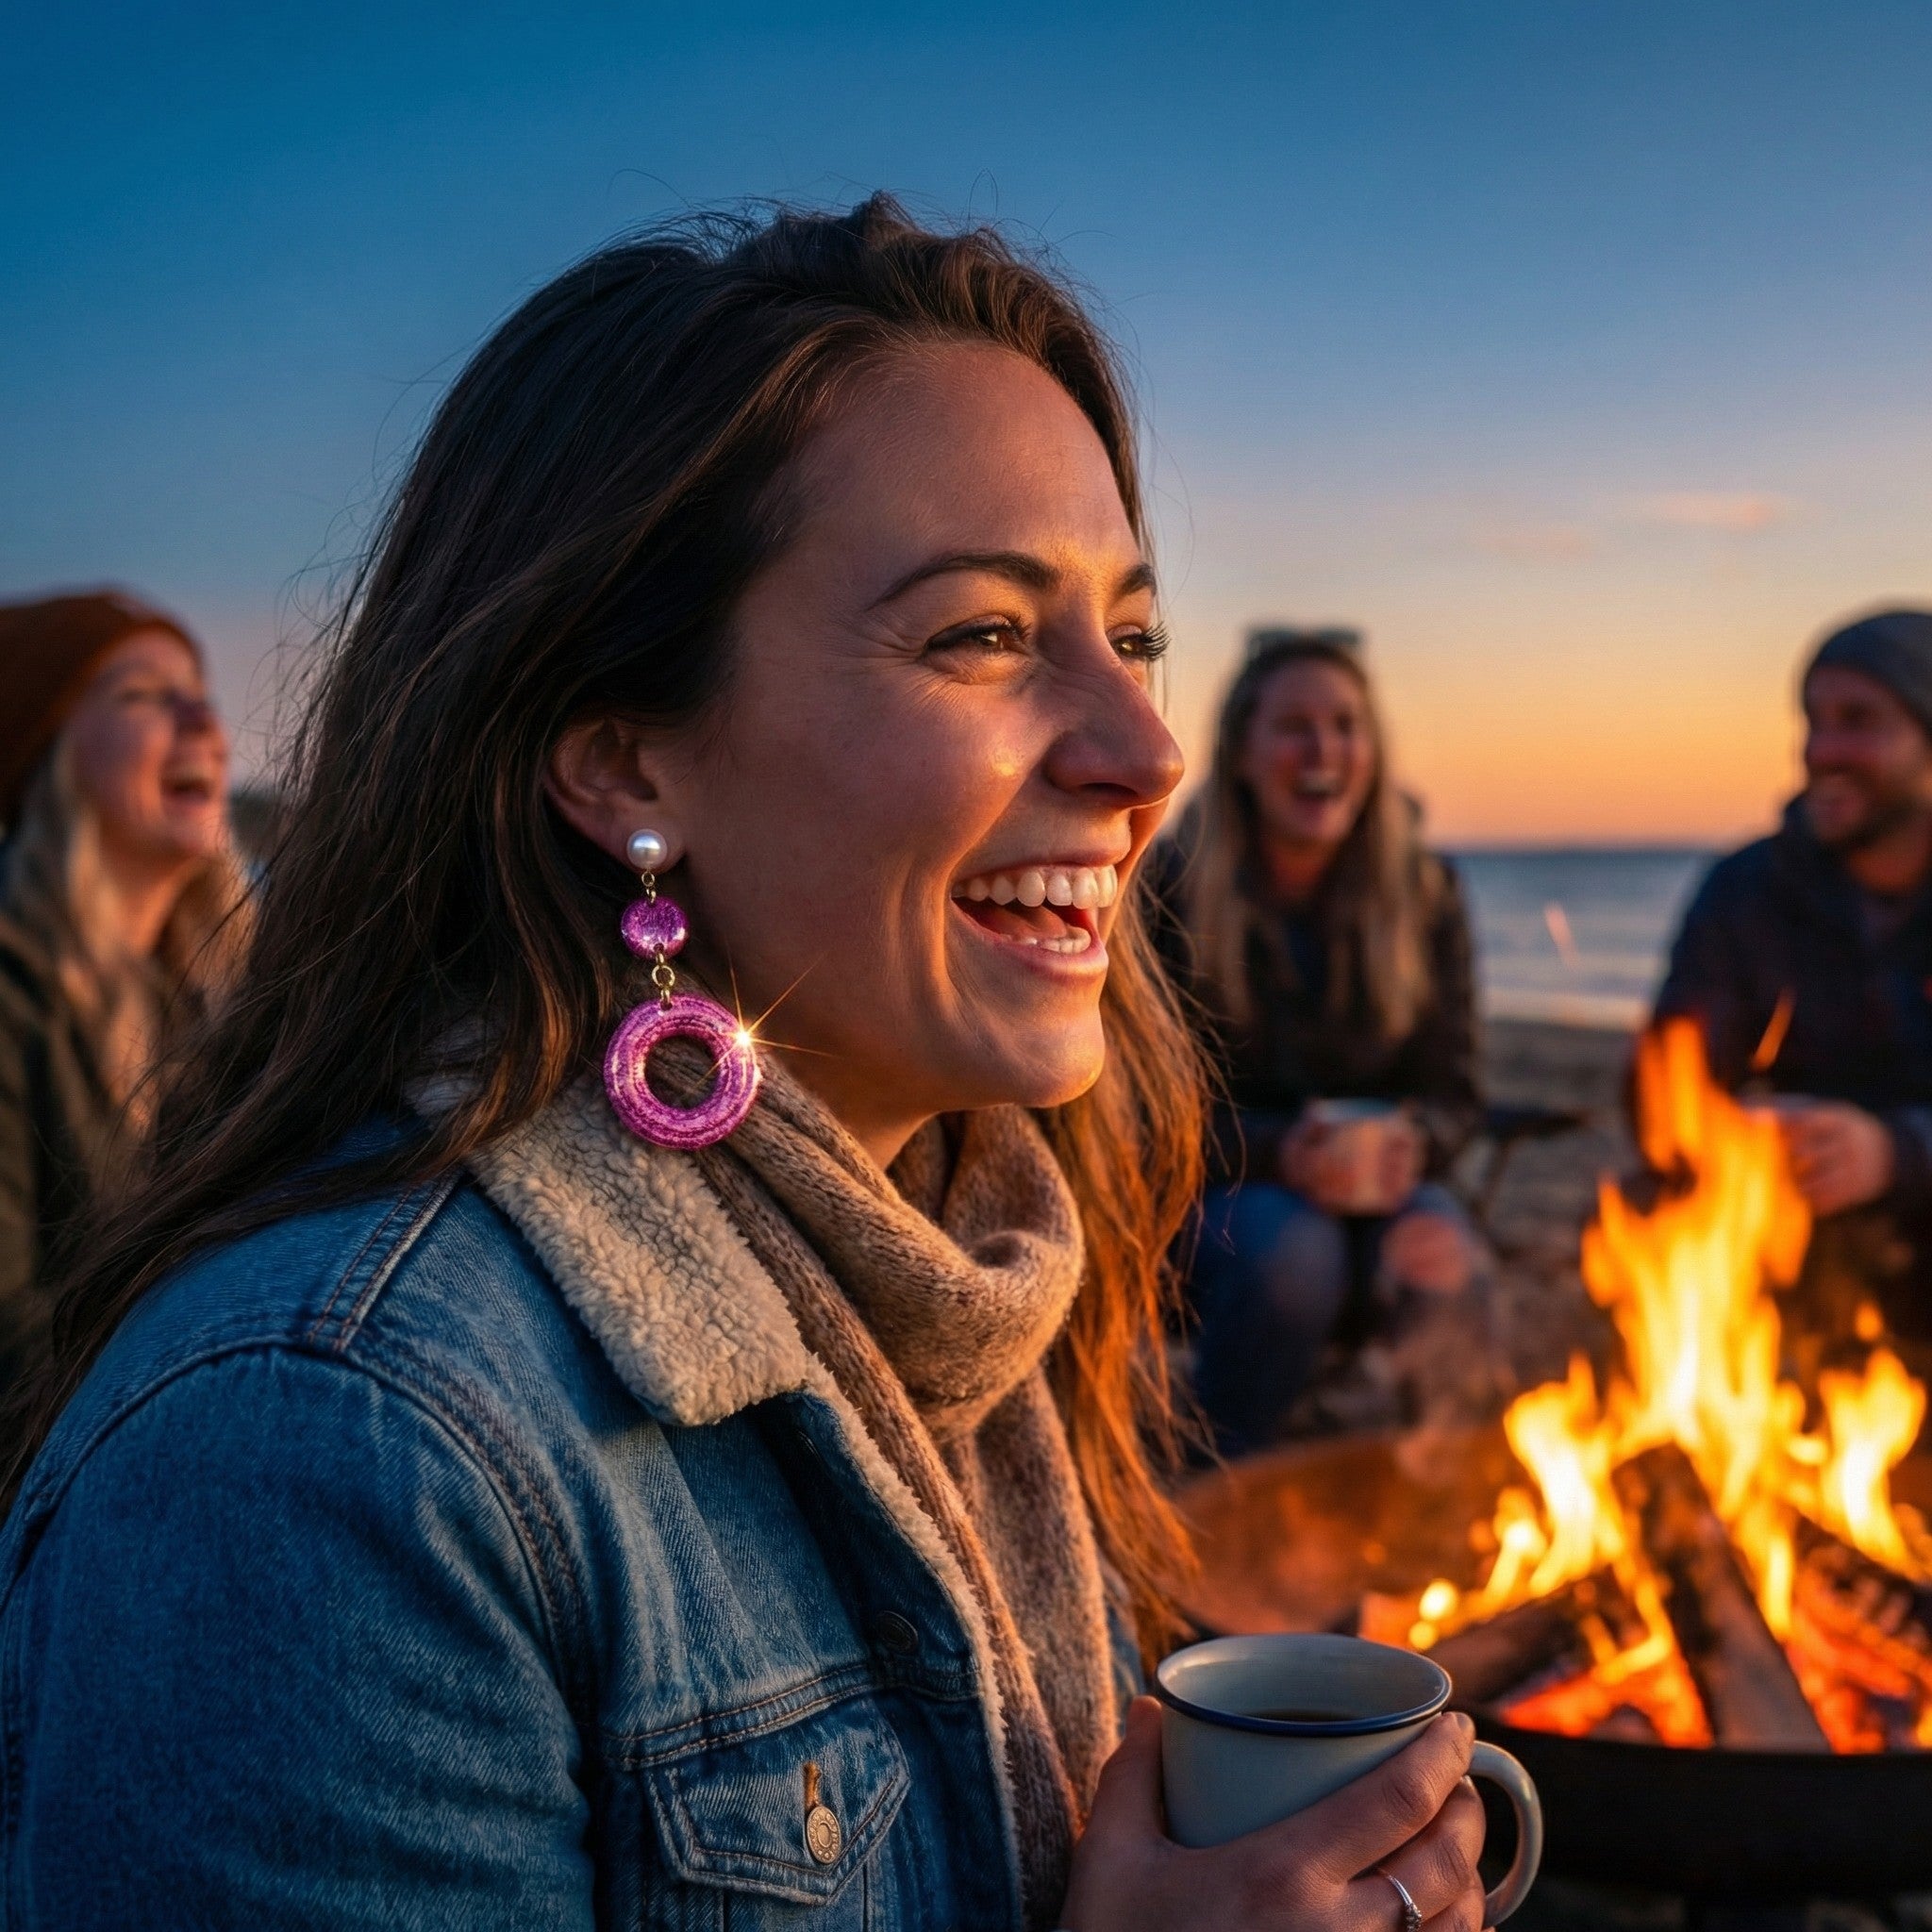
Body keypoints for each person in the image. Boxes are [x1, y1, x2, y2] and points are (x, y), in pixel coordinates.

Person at [0, 204, 1488, 1929]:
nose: (1144, 751)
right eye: (982, 635)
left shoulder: (963, 1272)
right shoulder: (327, 1453)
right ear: (627, 761)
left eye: (1133, 635)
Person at [1153, 629, 1483, 1451]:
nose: (1322, 748)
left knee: (1441, 1249)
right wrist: (1277, 1154)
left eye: (1345, 724)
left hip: (1375, 1187)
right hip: (1209, 1188)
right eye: (1294, 726)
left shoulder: (1425, 893)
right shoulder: (1172, 886)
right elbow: (1135, 1107)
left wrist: (1419, 1143)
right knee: (1294, 1254)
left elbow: (1454, 1093)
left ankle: (1443, 1483)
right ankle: (1224, 1472)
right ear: (1241, 753)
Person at [1655, 608, 1932, 1347]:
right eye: (1813, 722)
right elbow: (1676, 1075)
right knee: (1651, 1210)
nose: (1822, 750)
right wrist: (1706, 1120)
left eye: (1859, 721)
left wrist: (1895, 1152)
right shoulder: (1750, 889)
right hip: (1785, 1218)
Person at [0, 591, 245, 1400]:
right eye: (144, 695)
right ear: (48, 748)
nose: (203, 724)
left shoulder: (213, 1000)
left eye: (202, 696)